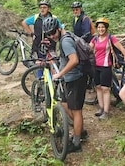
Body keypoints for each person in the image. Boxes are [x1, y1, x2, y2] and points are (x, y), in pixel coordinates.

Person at [44, 17, 87, 154]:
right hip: (70, 79)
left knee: (76, 110)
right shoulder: (63, 37)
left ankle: (76, 142)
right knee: (64, 104)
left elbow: (74, 60)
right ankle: (79, 128)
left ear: (58, 28)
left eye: (53, 33)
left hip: (76, 79)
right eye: (48, 34)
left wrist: (60, 73)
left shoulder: (66, 41)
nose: (51, 36)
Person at [89, 17, 125, 120]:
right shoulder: (95, 38)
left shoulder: (111, 38)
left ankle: (106, 112)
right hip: (95, 66)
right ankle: (101, 108)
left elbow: (121, 48)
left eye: (103, 27)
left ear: (106, 28)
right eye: (99, 27)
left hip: (106, 66)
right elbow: (88, 48)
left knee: (105, 89)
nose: (100, 29)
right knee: (98, 87)